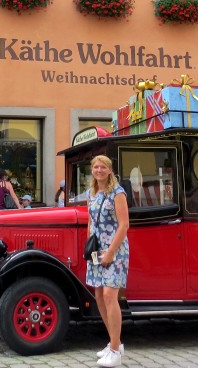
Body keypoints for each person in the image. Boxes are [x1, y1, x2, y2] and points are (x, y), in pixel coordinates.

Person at [86, 155, 129, 368]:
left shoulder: (117, 193)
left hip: (115, 250)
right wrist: (89, 248)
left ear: (109, 170)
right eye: (95, 166)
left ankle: (115, 351)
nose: (99, 170)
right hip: (97, 251)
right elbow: (90, 223)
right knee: (99, 296)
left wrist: (111, 252)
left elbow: (124, 225)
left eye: (103, 167)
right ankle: (115, 342)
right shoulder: (92, 193)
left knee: (110, 296)